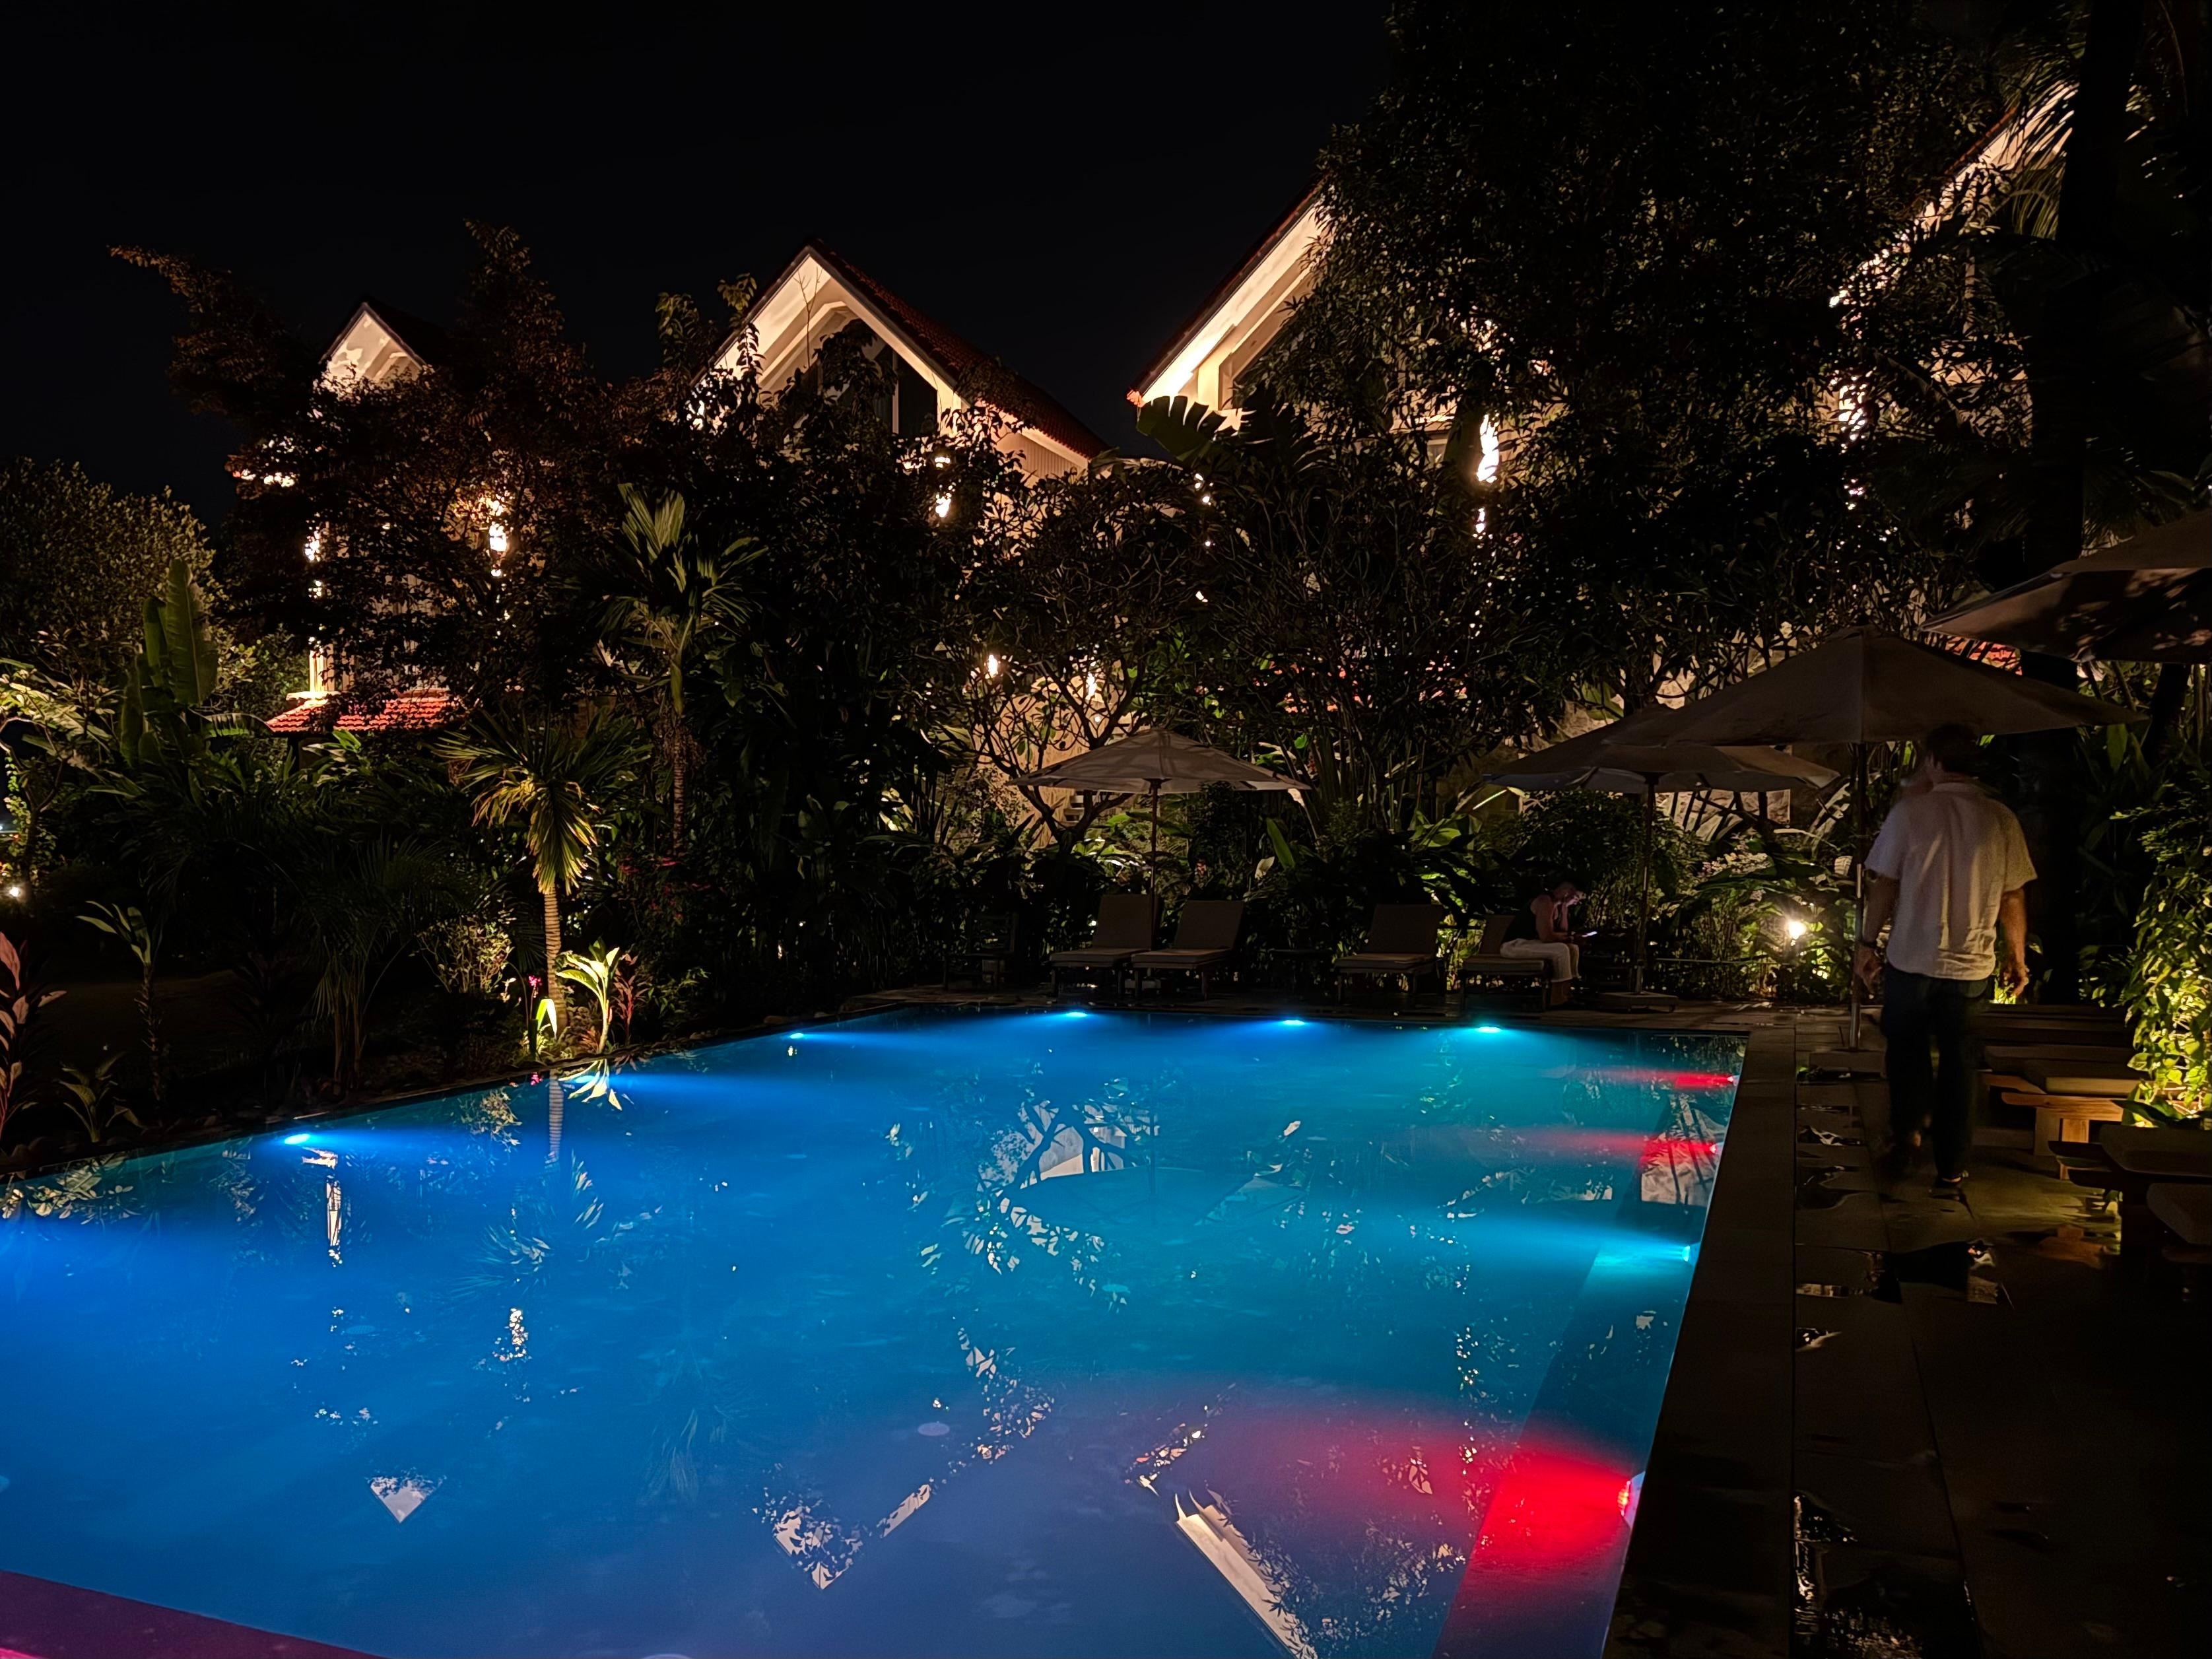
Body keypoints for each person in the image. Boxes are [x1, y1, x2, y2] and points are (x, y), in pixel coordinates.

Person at [1854, 722, 2035, 1198]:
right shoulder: (2000, 818)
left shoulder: (1910, 813)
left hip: (1912, 958)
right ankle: (1951, 1168)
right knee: (1959, 1066)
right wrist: (2016, 957)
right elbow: (2013, 894)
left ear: (1933, 760)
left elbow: (1884, 883)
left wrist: (1866, 943)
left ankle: (1907, 1136)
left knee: (1906, 1053)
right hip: (1971, 966)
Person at [1501, 875, 1590, 1007]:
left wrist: (1564, 908)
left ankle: (1567, 992)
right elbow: (1547, 937)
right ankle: (1557, 998)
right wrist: (1570, 938)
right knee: (1561, 950)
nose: (1576, 903)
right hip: (1514, 945)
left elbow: (1563, 932)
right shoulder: (1545, 902)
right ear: (1567, 892)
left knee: (1572, 948)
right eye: (1576, 898)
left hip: (1531, 944)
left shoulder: (1559, 907)